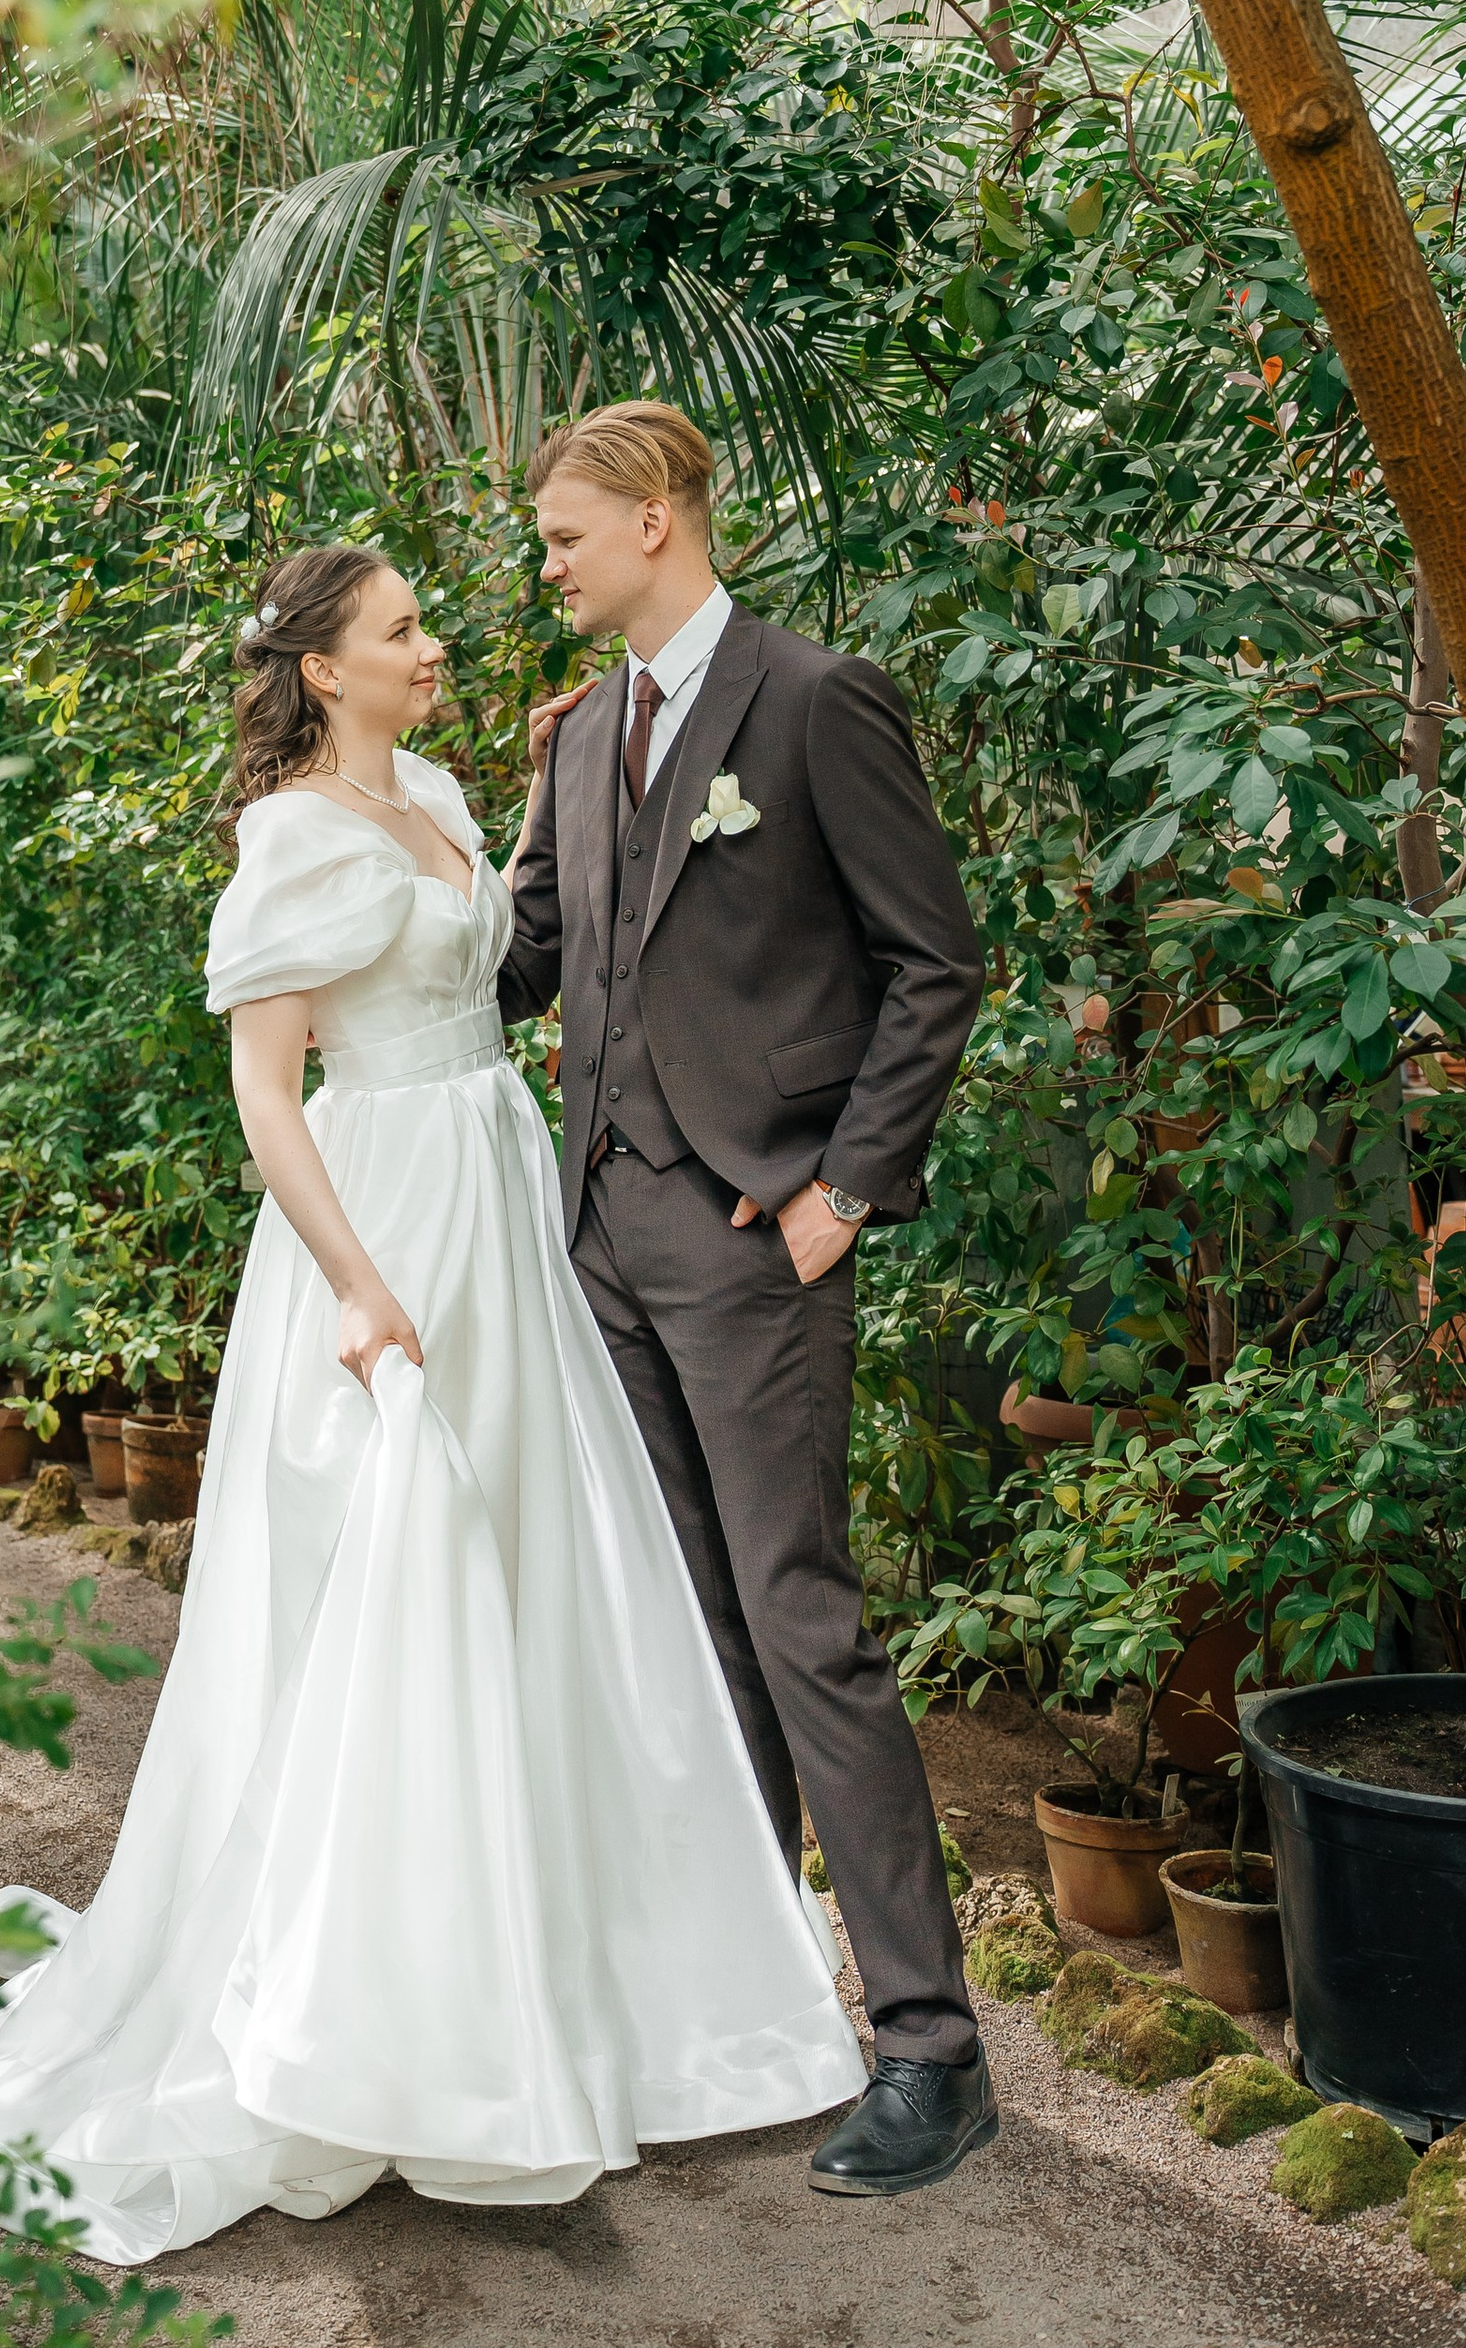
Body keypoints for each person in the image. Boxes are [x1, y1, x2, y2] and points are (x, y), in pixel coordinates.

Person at [0, 541, 864, 2264]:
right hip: (384, 1221)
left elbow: (471, 957)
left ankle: (547, 1986)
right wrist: (360, 1288)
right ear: (323, 670)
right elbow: (264, 1095)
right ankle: (370, 2023)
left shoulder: (433, 788)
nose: (433, 647)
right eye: (403, 630)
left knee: (527, 1576)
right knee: (388, 1597)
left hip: (500, 1197)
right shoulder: (289, 841)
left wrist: (542, 795)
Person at [502, 398, 994, 2197]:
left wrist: (841, 1192)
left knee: (800, 1623)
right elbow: (527, 957)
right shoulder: (579, 733)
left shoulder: (813, 700)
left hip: (753, 1235)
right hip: (600, 1239)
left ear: (654, 517)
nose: (549, 567)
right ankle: (756, 2004)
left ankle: (931, 2048)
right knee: (692, 1631)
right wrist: (356, 850)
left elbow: (934, 965)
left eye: (565, 536)